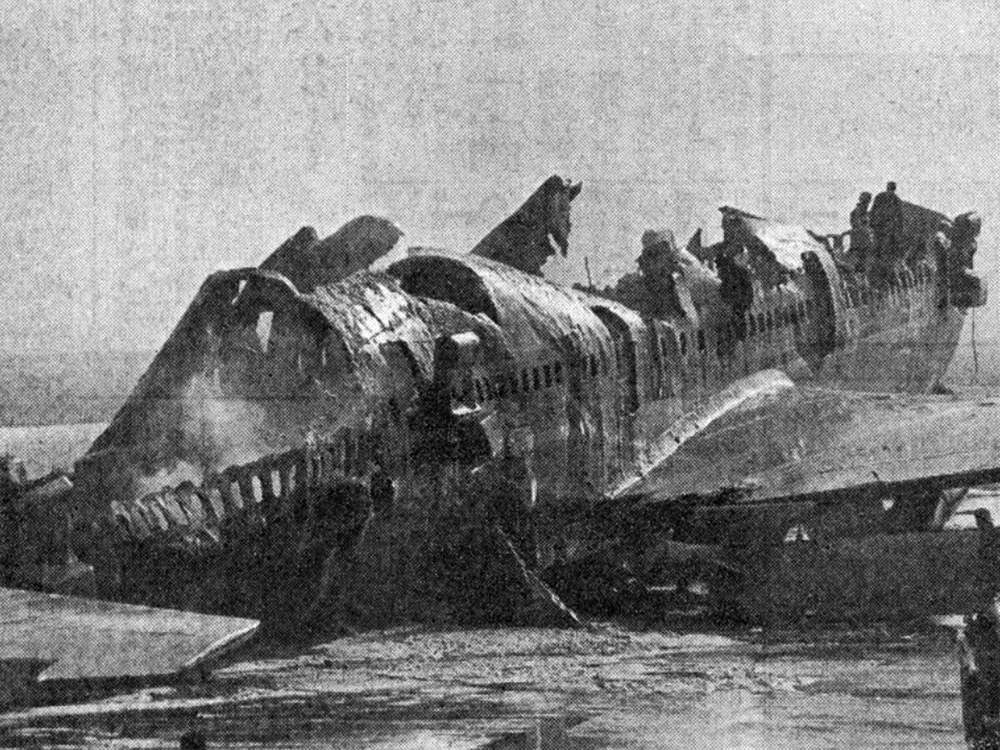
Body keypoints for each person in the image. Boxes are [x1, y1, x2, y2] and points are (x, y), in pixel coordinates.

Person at [869, 182, 904, 270]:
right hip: (887, 228)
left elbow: (873, 210)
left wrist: (871, 223)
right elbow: (900, 218)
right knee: (886, 249)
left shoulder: (880, 196)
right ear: (894, 188)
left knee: (878, 247)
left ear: (887, 187)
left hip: (880, 227)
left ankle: (877, 264)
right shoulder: (896, 200)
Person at [849, 192, 874, 265]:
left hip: (863, 241)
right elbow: (858, 225)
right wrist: (868, 231)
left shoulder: (865, 212)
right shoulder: (857, 211)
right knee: (861, 262)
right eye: (867, 201)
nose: (868, 204)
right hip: (860, 241)